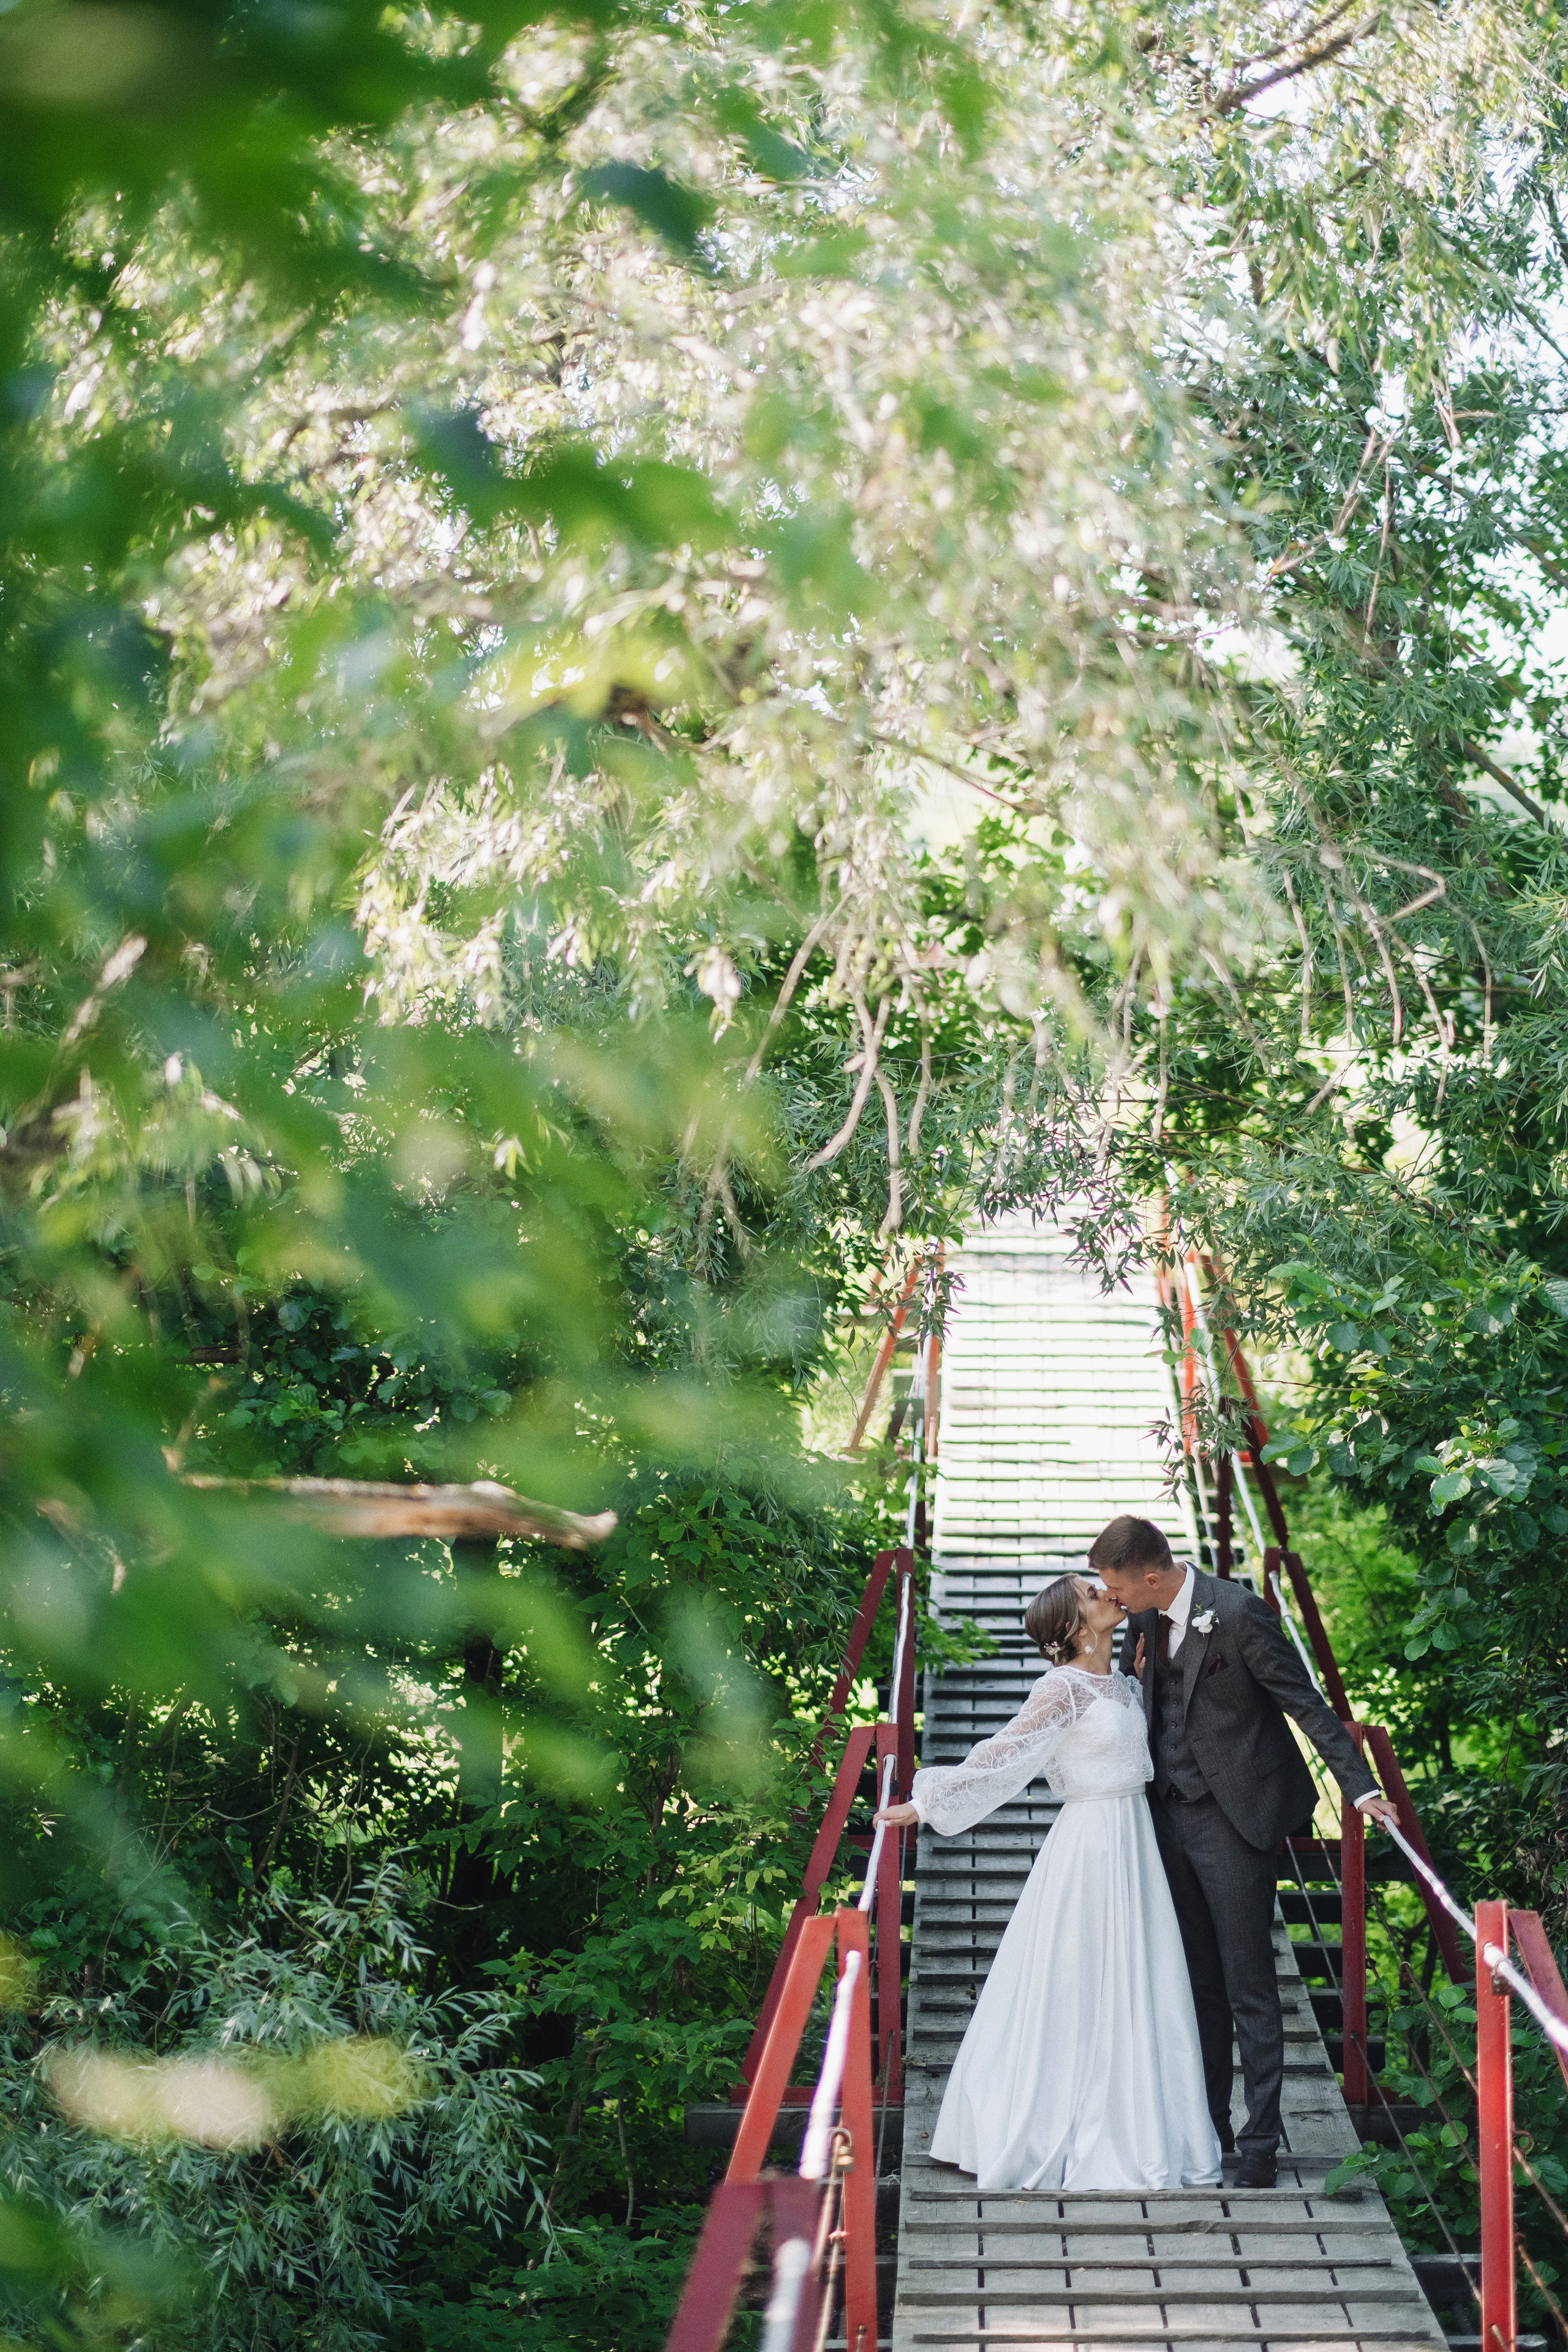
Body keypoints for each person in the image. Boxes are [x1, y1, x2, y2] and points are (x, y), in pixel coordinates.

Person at [873, 1574, 1222, 2193]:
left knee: (1138, 1980)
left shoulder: (1117, 1681)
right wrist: (925, 1804)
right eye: (1093, 1593)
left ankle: (1140, 2124)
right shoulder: (1058, 1688)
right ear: (1072, 1624)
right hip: (1090, 1844)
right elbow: (1001, 1754)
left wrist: (1141, 1680)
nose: (1108, 1592)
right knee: (1081, 1980)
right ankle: (1047, 2126)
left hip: (1134, 1840)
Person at [1091, 1514, 1397, 2189]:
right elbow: (1145, 1707)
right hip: (1165, 1817)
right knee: (1195, 1986)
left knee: (1248, 1987)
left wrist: (1360, 1788)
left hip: (1235, 1821)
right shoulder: (1140, 1622)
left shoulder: (1237, 1613)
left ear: (1149, 1576)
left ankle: (1259, 2148)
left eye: (1115, 1588)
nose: (1109, 1599)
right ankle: (1209, 2132)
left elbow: (1305, 1705)